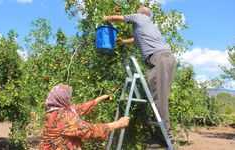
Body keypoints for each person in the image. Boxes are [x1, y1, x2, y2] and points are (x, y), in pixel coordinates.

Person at [104, 6, 176, 148]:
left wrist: (106, 18)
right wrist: (123, 42)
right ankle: (162, 133)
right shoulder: (145, 27)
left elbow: (119, 18)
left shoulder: (140, 18)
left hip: (159, 58)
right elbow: (135, 40)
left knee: (159, 97)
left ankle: (165, 135)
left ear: (141, 13)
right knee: (158, 96)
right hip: (163, 58)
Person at [40, 83, 129, 150]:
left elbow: (79, 108)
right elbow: (89, 130)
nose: (70, 99)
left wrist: (99, 100)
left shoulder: (53, 112)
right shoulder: (64, 117)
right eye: (68, 97)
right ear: (62, 98)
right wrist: (118, 124)